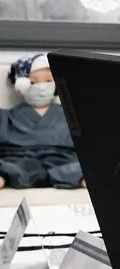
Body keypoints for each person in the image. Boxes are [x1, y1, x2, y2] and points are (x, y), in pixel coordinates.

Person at [0, 55, 82, 190]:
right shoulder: (5, 117)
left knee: (83, 168)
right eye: (33, 82)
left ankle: (82, 178)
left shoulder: (72, 115)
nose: (41, 87)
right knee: (7, 167)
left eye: (49, 80)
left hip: (64, 162)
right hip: (16, 161)